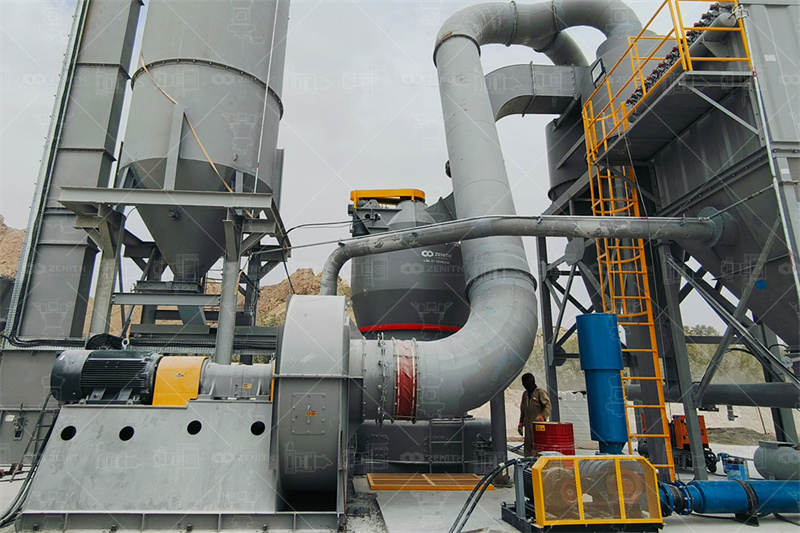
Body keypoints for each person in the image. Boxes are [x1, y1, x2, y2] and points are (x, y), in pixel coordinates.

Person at [517, 373, 552, 457]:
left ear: (532, 382)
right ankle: (528, 462)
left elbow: (548, 406)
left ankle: (539, 461)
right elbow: (523, 410)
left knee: (538, 445)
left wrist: (543, 416)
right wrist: (521, 423)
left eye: (526, 383)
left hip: (538, 425)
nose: (524, 385)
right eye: (523, 383)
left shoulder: (540, 392)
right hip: (528, 424)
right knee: (528, 447)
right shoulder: (525, 394)